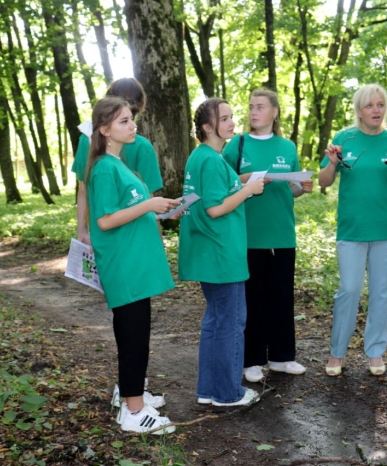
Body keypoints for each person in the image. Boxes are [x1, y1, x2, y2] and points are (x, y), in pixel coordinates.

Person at [85, 97, 180, 434]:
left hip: (136, 265)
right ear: (104, 129)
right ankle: (134, 412)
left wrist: (159, 208)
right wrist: (149, 204)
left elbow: (131, 208)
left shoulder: (118, 163)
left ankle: (131, 396)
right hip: (124, 266)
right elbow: (106, 220)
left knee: (135, 335)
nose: (132, 124)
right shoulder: (105, 168)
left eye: (130, 119)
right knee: (133, 337)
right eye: (123, 121)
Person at [319, 84, 387, 377]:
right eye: (370, 105)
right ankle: (337, 352)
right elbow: (324, 180)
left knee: (381, 292)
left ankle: (375, 351)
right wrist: (333, 163)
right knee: (348, 289)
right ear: (359, 110)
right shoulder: (344, 138)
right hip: (352, 228)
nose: (376, 110)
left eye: (381, 105)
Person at [178, 98, 266, 406]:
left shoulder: (201, 157)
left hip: (207, 252)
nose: (231, 122)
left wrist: (239, 182)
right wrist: (248, 190)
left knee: (216, 321)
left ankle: (209, 390)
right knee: (230, 321)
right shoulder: (213, 160)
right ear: (206, 127)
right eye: (224, 118)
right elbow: (215, 209)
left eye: (231, 117)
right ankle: (229, 393)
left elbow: (211, 192)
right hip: (220, 253)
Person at [223, 89, 313, 383]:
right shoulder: (237, 145)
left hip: (282, 234)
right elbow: (219, 183)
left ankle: (282, 357)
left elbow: (292, 188)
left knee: (282, 298)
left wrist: (303, 186)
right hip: (248, 235)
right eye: (250, 107)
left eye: (260, 107)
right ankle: (252, 360)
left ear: (275, 112)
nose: (253, 112)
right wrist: (247, 179)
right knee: (253, 299)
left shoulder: (287, 147)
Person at [74, 78, 163, 248]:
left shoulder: (87, 140)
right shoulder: (142, 146)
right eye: (123, 121)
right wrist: (157, 243)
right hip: (135, 233)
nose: (130, 126)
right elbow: (149, 199)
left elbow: (83, 190)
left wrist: (82, 230)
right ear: (142, 103)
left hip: (101, 234)